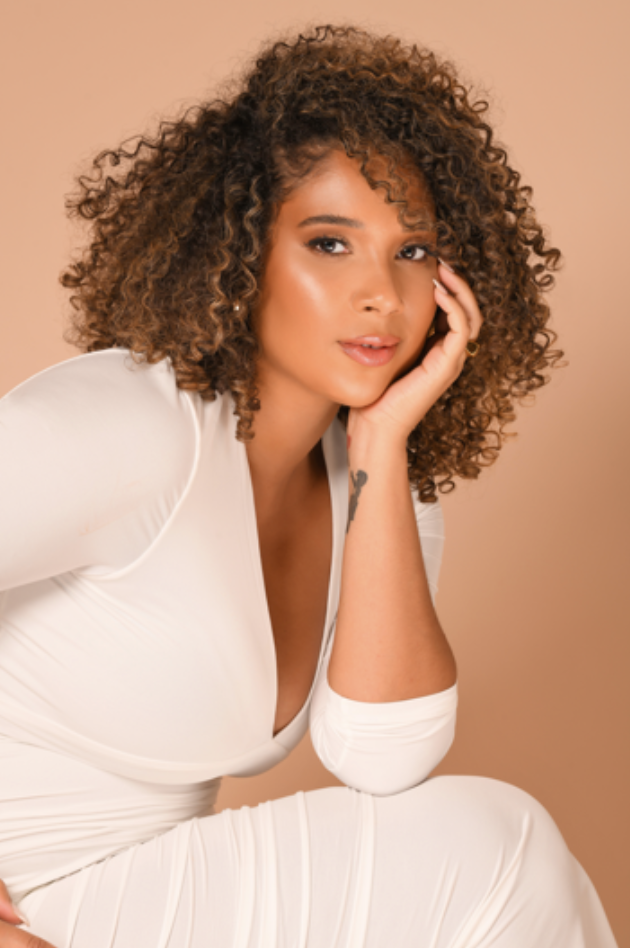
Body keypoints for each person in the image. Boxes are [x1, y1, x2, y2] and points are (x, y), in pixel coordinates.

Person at [0, 23, 619, 948]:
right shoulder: (129, 424)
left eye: (412, 253)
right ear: (240, 254)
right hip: (35, 889)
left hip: (135, 892)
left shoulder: (381, 492)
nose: (382, 294)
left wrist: (379, 443)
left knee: (497, 857)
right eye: (331, 244)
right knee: (498, 848)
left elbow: (383, 757)